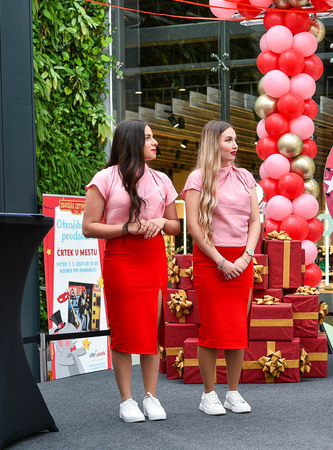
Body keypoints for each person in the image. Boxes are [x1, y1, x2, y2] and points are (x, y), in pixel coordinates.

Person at [82, 119, 180, 423]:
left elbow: (176, 226)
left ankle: (151, 396)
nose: (154, 143)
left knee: (153, 329)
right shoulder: (105, 178)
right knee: (125, 329)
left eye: (154, 137)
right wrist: (127, 227)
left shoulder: (162, 179)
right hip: (121, 259)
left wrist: (162, 223)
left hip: (153, 258)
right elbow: (88, 227)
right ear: (131, 142)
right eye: (148, 137)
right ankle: (126, 399)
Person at [182, 121, 261, 416]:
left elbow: (255, 221)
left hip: (242, 259)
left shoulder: (245, 178)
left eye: (236, 140)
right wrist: (220, 260)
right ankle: (208, 394)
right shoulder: (197, 178)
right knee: (213, 328)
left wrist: (246, 256)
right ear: (214, 143)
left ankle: (233, 392)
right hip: (209, 259)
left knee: (237, 328)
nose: (235, 145)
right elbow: (193, 226)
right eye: (229, 140)